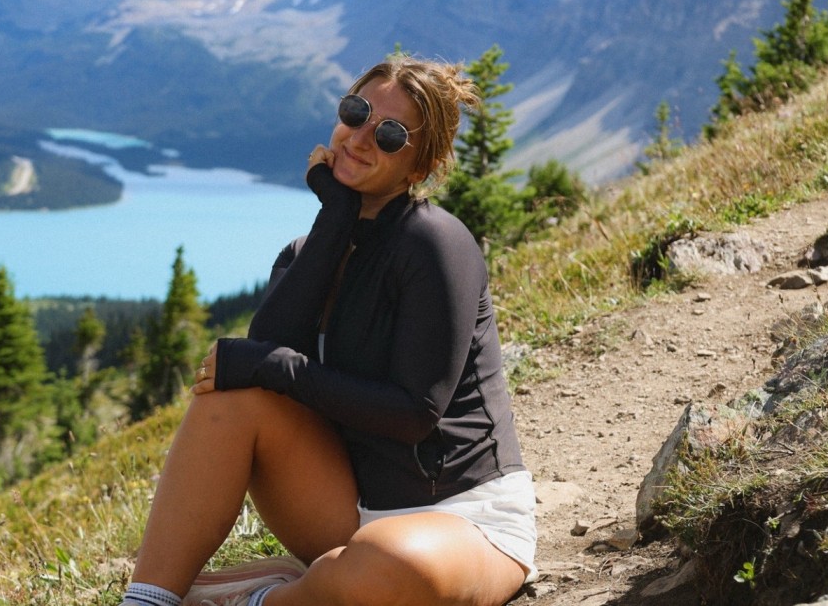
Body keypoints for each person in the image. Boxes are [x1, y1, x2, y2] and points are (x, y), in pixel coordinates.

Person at [120, 55, 536, 606]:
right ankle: (150, 600)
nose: (362, 137)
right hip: (352, 509)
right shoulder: (303, 255)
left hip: (463, 518)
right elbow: (258, 368)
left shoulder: (435, 243)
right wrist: (337, 216)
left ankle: (259, 598)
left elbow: (414, 414)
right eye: (355, 111)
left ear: (420, 166)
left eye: (389, 134)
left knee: (386, 568)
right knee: (233, 398)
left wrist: (278, 368)